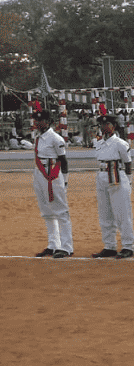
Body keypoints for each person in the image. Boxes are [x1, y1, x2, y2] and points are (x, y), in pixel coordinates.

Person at [92, 104, 134, 259]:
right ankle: (109, 245)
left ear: (114, 126)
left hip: (117, 176)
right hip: (102, 175)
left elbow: (128, 163)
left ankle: (127, 246)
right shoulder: (98, 142)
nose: (104, 127)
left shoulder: (120, 143)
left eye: (107, 124)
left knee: (122, 213)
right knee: (105, 213)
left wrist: (129, 182)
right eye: (102, 124)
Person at [30, 102, 73, 259]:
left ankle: (67, 246)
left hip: (53, 174)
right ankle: (53, 244)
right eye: (36, 120)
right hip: (40, 173)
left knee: (61, 210)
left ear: (48, 122)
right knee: (46, 211)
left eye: (41, 120)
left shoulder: (56, 138)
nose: (38, 123)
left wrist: (65, 181)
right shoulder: (38, 137)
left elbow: (63, 160)